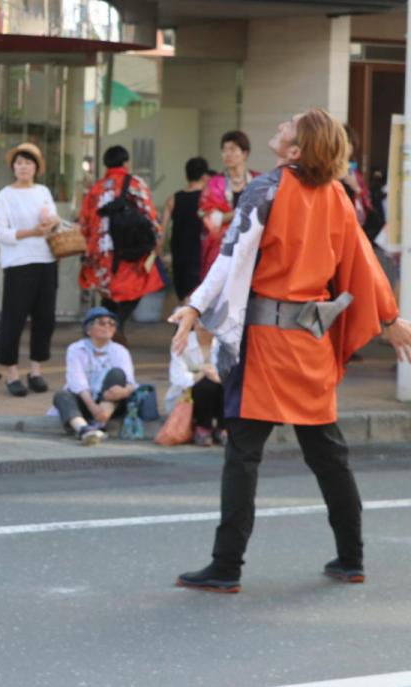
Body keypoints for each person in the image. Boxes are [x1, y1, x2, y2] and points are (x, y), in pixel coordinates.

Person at [171, 109, 411, 593]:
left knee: (243, 455)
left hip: (265, 345)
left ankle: (226, 566)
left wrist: (195, 306)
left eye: (289, 126)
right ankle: (351, 557)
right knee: (328, 454)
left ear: (296, 150)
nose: (279, 125)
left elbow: (231, 254)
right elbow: (363, 261)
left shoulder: (267, 189)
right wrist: (388, 317)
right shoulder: (338, 195)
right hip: (310, 344)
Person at [0, 142, 60, 396]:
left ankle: (36, 370)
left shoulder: (43, 191)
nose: (23, 167)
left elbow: (52, 218)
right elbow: (1, 233)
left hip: (46, 260)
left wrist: (51, 222)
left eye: (28, 163)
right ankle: (12, 373)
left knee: (45, 318)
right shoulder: (4, 196)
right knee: (13, 319)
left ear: (36, 168)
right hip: (18, 264)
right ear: (13, 167)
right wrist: (32, 231)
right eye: (19, 162)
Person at [78, 145, 163, 340]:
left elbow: (84, 220)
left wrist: (86, 249)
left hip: (100, 252)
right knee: (137, 286)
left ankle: (105, 329)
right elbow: (149, 214)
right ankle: (114, 326)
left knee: (109, 293)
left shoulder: (96, 188)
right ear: (126, 163)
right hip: (129, 248)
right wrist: (156, 236)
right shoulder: (135, 184)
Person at [52, 307, 137, 446]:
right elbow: (77, 383)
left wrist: (123, 391)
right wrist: (93, 407)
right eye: (102, 323)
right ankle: (83, 429)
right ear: (88, 330)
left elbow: (130, 382)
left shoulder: (120, 351)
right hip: (86, 402)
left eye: (111, 323)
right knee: (61, 395)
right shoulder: (75, 349)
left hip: (110, 405)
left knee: (117, 374)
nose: (108, 326)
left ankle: (100, 423)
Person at [199, 131, 259, 279]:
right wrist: (239, 213)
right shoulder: (214, 183)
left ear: (244, 153)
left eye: (232, 149)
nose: (227, 154)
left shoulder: (258, 180)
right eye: (224, 150)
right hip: (222, 248)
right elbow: (208, 218)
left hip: (253, 247)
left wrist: (227, 216)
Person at [165, 322, 224, 447]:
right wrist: (203, 373)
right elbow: (178, 377)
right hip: (188, 397)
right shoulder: (181, 341)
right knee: (206, 385)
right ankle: (203, 428)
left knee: (226, 384)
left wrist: (216, 377)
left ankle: (223, 427)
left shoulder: (225, 343)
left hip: (217, 393)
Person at [162, 156, 211, 303]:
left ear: (186, 176)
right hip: (201, 256)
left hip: (180, 257)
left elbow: (161, 231)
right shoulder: (208, 200)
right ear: (204, 176)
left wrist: (160, 256)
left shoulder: (173, 199)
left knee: (184, 298)